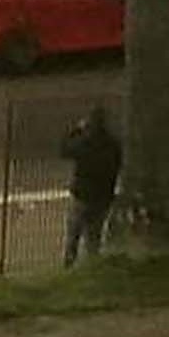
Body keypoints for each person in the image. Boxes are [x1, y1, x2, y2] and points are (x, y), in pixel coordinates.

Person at [61, 104, 123, 264]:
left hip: (82, 196)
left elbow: (64, 149)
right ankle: (92, 265)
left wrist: (76, 130)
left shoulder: (84, 143)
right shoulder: (113, 145)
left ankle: (69, 264)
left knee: (73, 235)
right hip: (102, 197)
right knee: (94, 237)